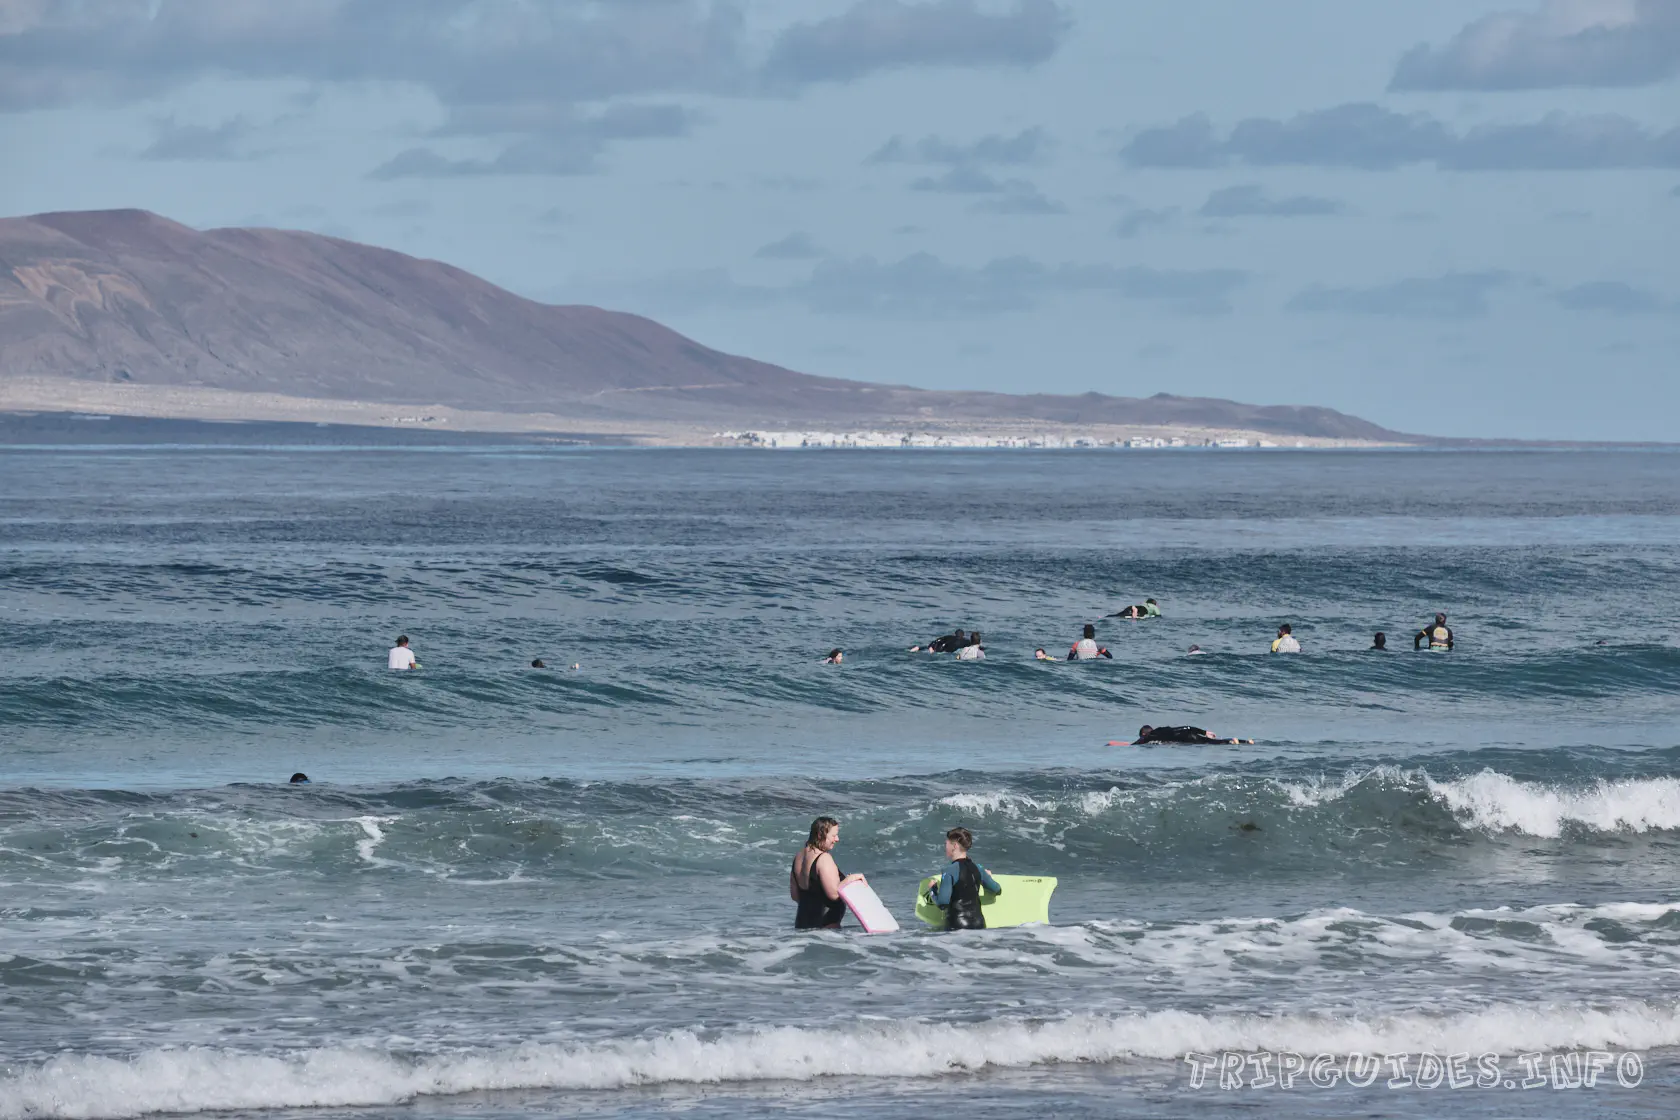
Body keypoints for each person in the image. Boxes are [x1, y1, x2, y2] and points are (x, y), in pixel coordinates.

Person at [790, 816, 867, 930]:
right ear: (820, 835)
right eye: (833, 835)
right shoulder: (824, 858)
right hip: (826, 932)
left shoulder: (798, 857)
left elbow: (795, 896)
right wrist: (851, 878)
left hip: (802, 926)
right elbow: (834, 895)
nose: (837, 839)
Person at [925, 826, 1002, 931]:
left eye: (946, 844)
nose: (945, 847)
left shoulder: (949, 871)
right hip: (979, 924)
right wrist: (987, 877)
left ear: (954, 846)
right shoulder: (978, 869)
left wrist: (932, 889)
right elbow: (997, 890)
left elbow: (942, 903)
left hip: (957, 926)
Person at [1130, 725, 1252, 745]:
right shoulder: (1161, 731)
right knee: (1212, 742)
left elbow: (1140, 742)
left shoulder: (1152, 735)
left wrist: (1131, 745)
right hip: (1189, 734)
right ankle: (1245, 741)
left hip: (1187, 736)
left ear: (1144, 733)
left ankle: (1232, 741)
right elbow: (1186, 727)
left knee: (1212, 743)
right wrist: (1203, 732)